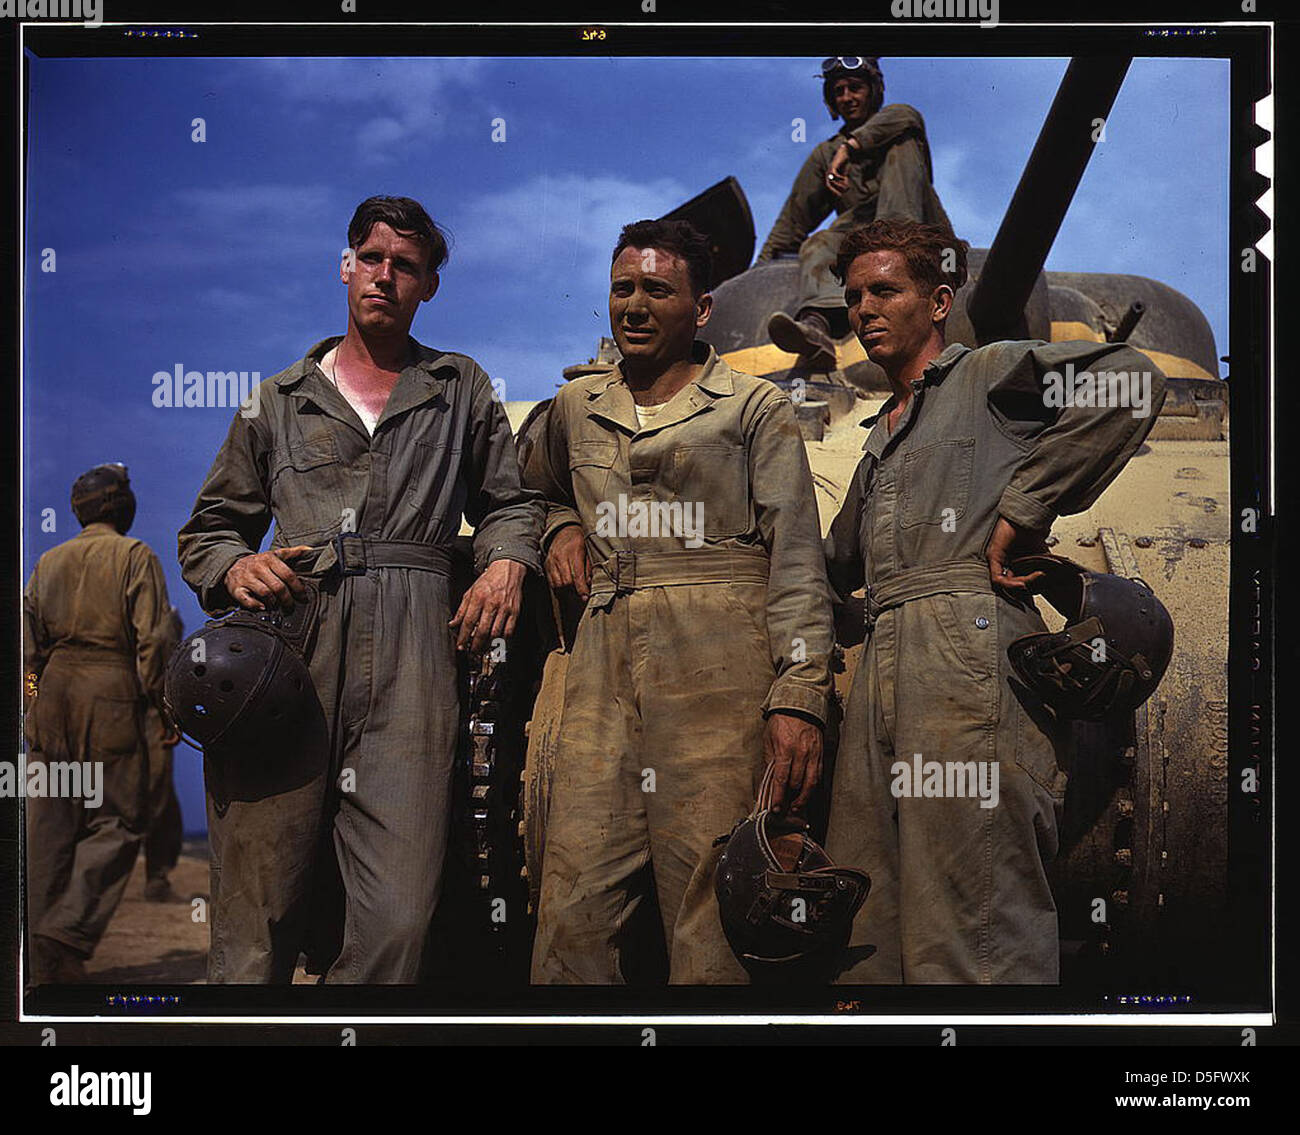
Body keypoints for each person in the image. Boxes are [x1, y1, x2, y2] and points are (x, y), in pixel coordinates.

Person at [177, 195, 542, 983]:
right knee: (255, 918)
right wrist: (236, 566)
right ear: (346, 268)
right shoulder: (276, 400)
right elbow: (208, 530)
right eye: (371, 259)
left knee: (400, 921)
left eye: (405, 266)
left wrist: (509, 560)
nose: (385, 276)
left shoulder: (460, 387)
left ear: (429, 287)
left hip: (416, 655)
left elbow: (511, 503)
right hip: (288, 654)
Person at [822, 218, 1166, 982]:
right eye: (853, 297)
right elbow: (831, 566)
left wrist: (1028, 503)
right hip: (883, 669)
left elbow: (1132, 379)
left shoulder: (987, 376)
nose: (864, 310)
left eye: (885, 290)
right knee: (866, 938)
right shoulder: (881, 436)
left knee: (973, 928)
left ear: (939, 300)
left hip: (967, 666)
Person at [525, 219, 834, 984]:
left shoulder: (752, 408)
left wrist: (799, 694)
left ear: (700, 310)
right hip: (603, 665)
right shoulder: (576, 405)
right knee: (573, 906)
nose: (633, 304)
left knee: (711, 910)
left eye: (657, 290)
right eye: (622, 288)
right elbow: (528, 483)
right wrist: (561, 522)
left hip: (717, 659)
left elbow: (796, 556)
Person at [24, 463, 174, 982]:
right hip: (110, 691)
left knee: (48, 830)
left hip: (51, 694)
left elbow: (27, 658)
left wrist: (32, 704)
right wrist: (162, 705)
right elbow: (153, 641)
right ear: (120, 506)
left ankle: (41, 963)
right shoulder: (135, 556)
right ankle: (64, 932)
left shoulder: (46, 562)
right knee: (120, 821)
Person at [759, 57, 951, 371]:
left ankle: (894, 244)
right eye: (839, 91)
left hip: (919, 238)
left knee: (902, 144)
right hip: (864, 243)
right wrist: (758, 272)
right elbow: (792, 221)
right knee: (819, 243)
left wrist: (850, 148)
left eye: (855, 88)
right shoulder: (826, 154)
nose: (847, 97)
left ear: (873, 90)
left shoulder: (899, 124)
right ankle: (817, 327)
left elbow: (907, 115)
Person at [143, 606, 185, 903]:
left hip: (103, 712)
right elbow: (162, 647)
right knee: (156, 797)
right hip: (147, 714)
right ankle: (156, 876)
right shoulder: (162, 614)